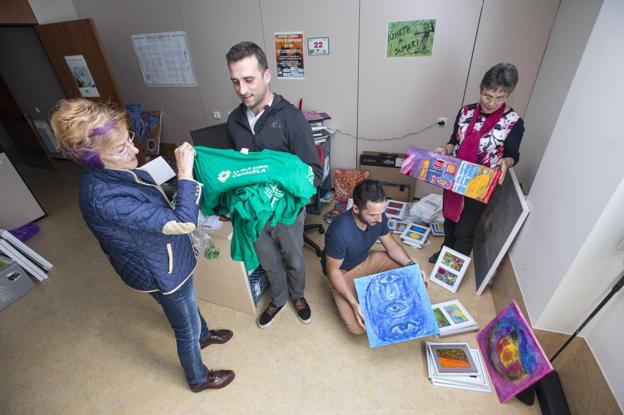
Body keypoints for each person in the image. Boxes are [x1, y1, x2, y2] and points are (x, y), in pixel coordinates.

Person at [50, 98, 235, 392]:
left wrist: (174, 177)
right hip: (160, 268)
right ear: (92, 158)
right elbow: (184, 221)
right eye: (122, 148)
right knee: (183, 326)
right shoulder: (104, 198)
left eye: (130, 139)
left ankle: (203, 335)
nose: (135, 150)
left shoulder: (109, 173)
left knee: (187, 304)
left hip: (160, 259)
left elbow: (147, 182)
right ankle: (198, 377)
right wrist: (185, 173)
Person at [225, 41, 322, 329]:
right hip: (254, 213)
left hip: (286, 212)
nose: (242, 89)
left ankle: (298, 295)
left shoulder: (292, 120)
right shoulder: (234, 121)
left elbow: (314, 173)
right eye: (235, 82)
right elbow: (236, 167)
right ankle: (278, 299)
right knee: (268, 260)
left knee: (293, 257)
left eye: (249, 80)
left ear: (267, 75)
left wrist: (287, 197)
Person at [429, 63, 525, 263]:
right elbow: (454, 141)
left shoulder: (513, 122)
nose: (492, 103)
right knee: (450, 219)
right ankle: (445, 252)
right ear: (481, 89)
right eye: (488, 96)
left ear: (508, 95)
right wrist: (445, 149)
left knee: (465, 227)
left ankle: (453, 265)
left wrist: (506, 162)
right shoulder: (466, 112)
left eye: (500, 98)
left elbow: (513, 155)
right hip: (455, 176)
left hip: (481, 182)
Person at [322, 180, 428, 334]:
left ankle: (371, 289)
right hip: (344, 273)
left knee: (412, 271)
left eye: (381, 213)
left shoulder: (379, 216)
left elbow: (391, 245)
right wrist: (353, 303)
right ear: (356, 209)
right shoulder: (339, 232)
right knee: (358, 328)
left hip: (366, 260)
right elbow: (333, 271)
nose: (379, 219)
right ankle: (343, 296)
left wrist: (411, 266)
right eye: (372, 214)